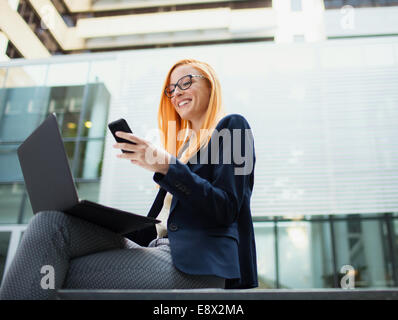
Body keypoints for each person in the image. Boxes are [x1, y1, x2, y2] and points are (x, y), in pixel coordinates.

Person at [0, 59, 257, 300]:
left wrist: (166, 166)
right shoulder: (183, 151)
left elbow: (226, 208)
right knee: (51, 222)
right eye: (170, 89)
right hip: (156, 249)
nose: (176, 92)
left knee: (55, 272)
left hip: (197, 265)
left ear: (210, 85)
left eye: (186, 82)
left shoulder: (233, 126)